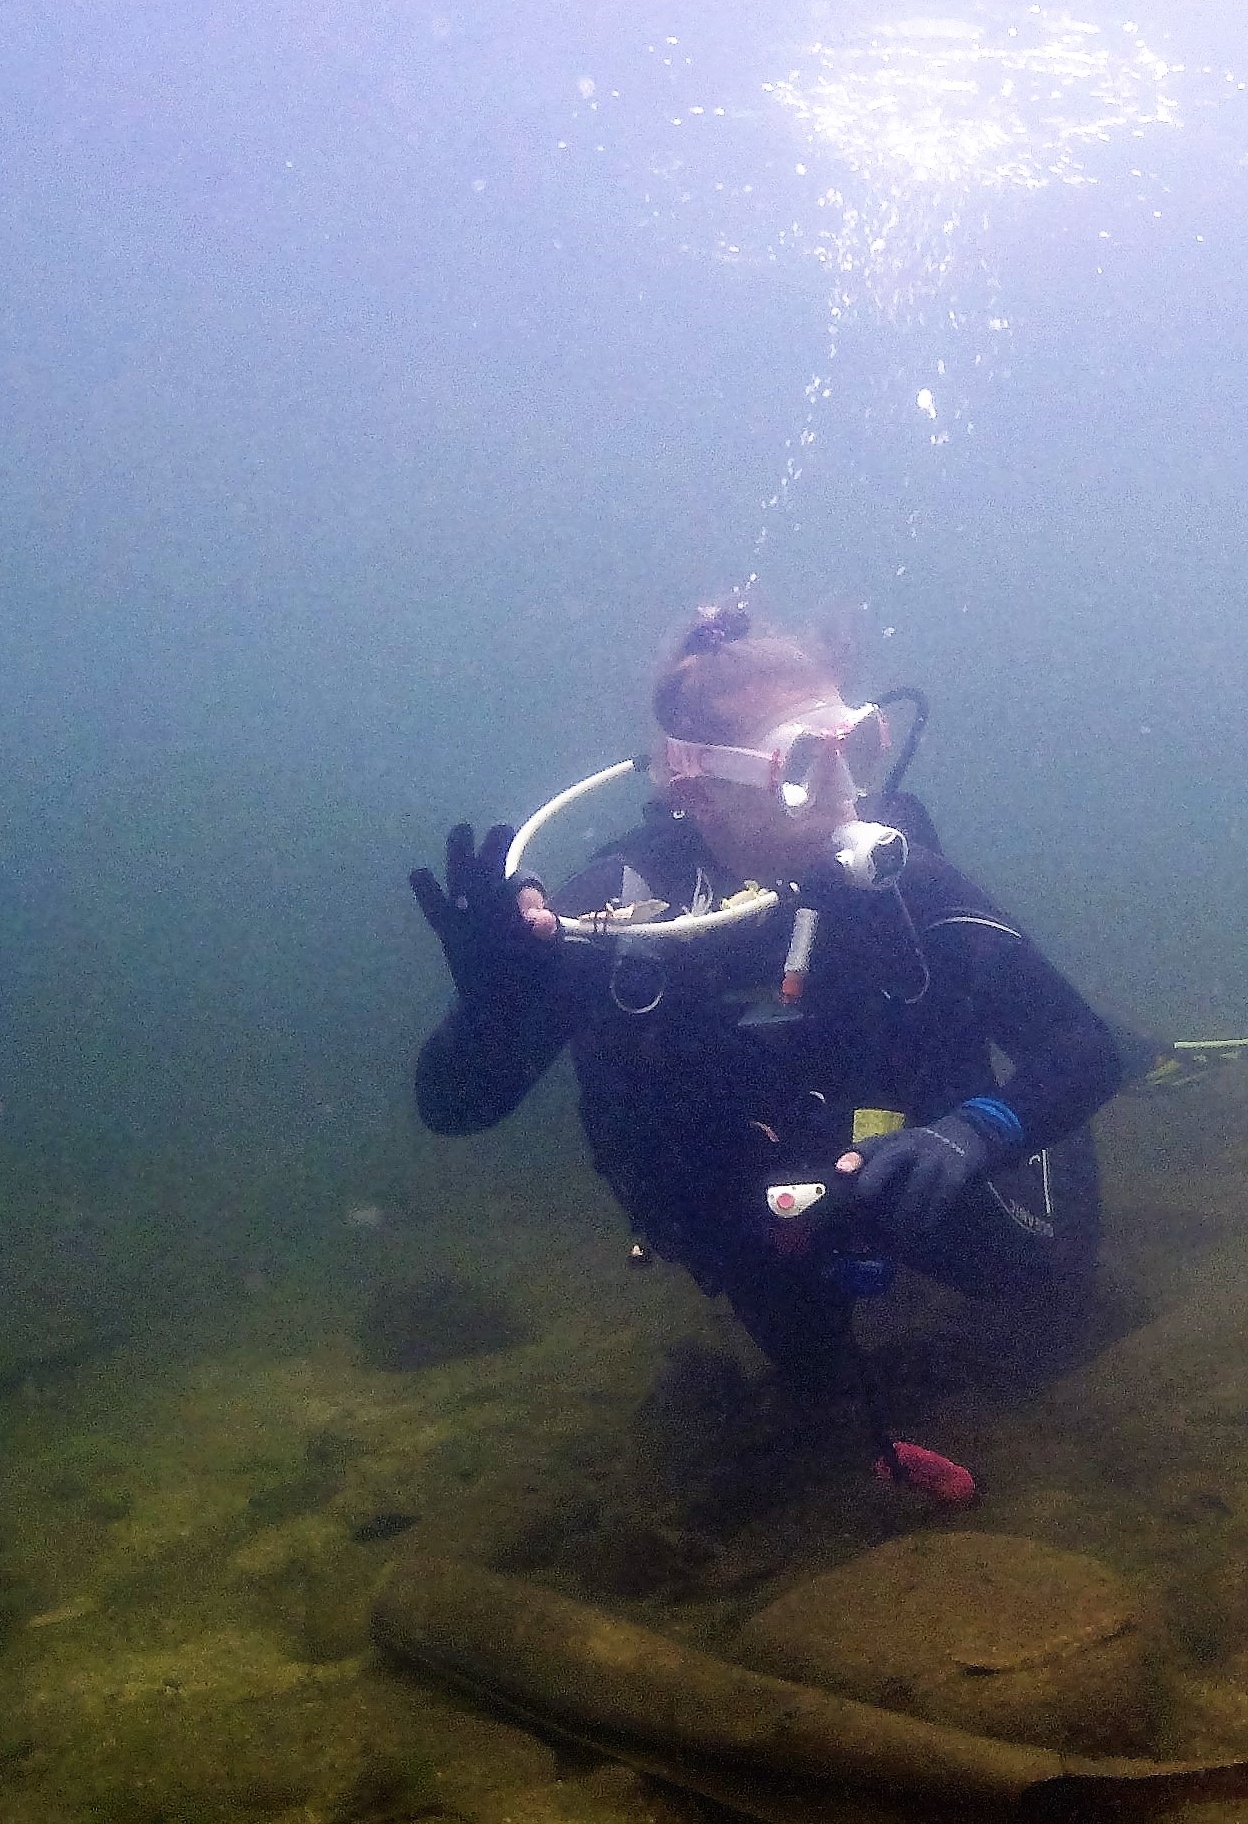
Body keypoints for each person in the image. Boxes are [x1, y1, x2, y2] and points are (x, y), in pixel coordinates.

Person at [409, 602, 1126, 1490]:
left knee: (1054, 1286)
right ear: (695, 786)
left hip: (920, 1171)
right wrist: (493, 1007)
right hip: (747, 1229)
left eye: (853, 750)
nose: (844, 798)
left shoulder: (899, 878)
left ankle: (1009, 1160)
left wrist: (975, 1132)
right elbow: (454, 1108)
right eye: (798, 766)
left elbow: (1083, 1047)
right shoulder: (620, 918)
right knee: (818, 1400)